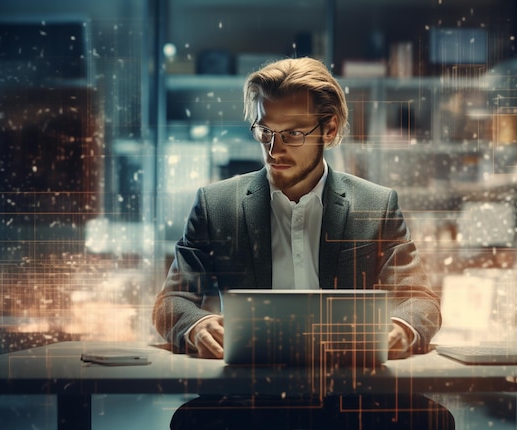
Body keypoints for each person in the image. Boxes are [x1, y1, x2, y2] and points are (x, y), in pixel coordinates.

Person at [153, 57, 454, 429]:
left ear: (329, 129)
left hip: (355, 395)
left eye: (293, 134)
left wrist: (400, 327)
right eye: (265, 132)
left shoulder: (376, 205)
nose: (273, 149)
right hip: (249, 398)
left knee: (432, 421)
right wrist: (195, 326)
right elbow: (172, 301)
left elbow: (420, 300)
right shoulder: (216, 204)